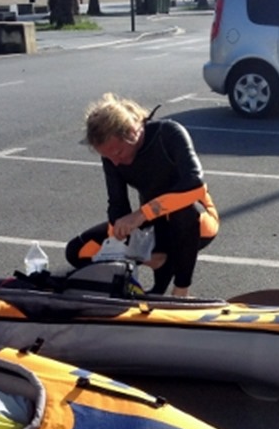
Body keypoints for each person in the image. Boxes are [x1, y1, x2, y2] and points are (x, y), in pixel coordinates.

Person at [66, 93, 219, 297]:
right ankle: (159, 261)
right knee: (79, 251)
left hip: (198, 224)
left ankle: (181, 291)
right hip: (154, 227)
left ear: (132, 132)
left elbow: (195, 185)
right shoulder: (112, 156)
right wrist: (118, 237)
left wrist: (140, 215)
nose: (115, 162)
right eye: (107, 157)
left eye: (118, 153)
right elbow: (117, 205)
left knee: (183, 212)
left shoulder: (169, 133)